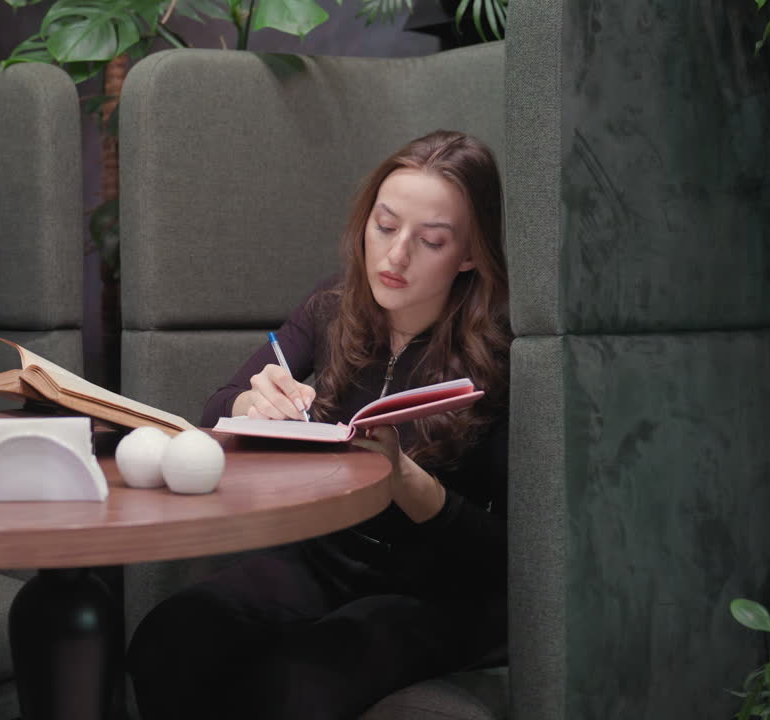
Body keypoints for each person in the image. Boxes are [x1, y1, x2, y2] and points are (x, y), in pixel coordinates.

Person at [126, 129, 512, 720]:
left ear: (468, 254)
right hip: (323, 558)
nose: (396, 255)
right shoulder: (331, 306)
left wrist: (413, 487)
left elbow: (510, 551)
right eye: (384, 227)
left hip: (437, 591)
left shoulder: (502, 353)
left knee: (295, 685)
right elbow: (215, 411)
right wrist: (250, 406)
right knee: (172, 635)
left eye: (430, 240)